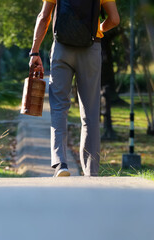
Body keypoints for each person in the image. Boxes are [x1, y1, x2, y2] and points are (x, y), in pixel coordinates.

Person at [29, 0, 120, 177]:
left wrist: (34, 52)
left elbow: (44, 16)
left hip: (62, 48)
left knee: (58, 107)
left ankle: (60, 162)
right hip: (91, 48)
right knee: (90, 112)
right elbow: (114, 19)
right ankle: (91, 171)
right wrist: (98, 29)